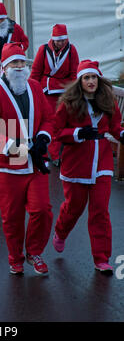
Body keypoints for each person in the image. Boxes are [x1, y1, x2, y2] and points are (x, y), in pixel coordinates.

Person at [0, 42, 54, 275]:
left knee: (42, 210)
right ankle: (15, 257)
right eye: (14, 63)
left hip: (35, 163)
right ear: (4, 67)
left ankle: (34, 252)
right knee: (12, 217)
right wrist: (12, 145)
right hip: (7, 167)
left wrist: (43, 137)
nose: (19, 67)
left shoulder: (35, 87)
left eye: (22, 62)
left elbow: (49, 118)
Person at [52, 60, 124, 274]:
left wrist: (122, 135)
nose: (91, 81)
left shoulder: (107, 100)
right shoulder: (68, 103)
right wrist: (76, 134)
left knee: (100, 211)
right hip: (76, 164)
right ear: (80, 81)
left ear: (99, 80)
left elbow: (115, 127)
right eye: (86, 78)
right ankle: (61, 232)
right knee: (74, 208)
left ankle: (101, 259)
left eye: (94, 77)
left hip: (101, 162)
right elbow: (57, 131)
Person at [30, 24, 79, 165]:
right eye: (58, 40)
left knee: (59, 123)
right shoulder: (43, 49)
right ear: (53, 39)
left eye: (63, 40)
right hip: (45, 93)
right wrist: (34, 91)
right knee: (48, 122)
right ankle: (53, 154)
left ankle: (57, 154)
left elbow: (74, 73)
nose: (61, 43)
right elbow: (36, 72)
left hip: (64, 93)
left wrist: (73, 91)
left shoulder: (71, 50)